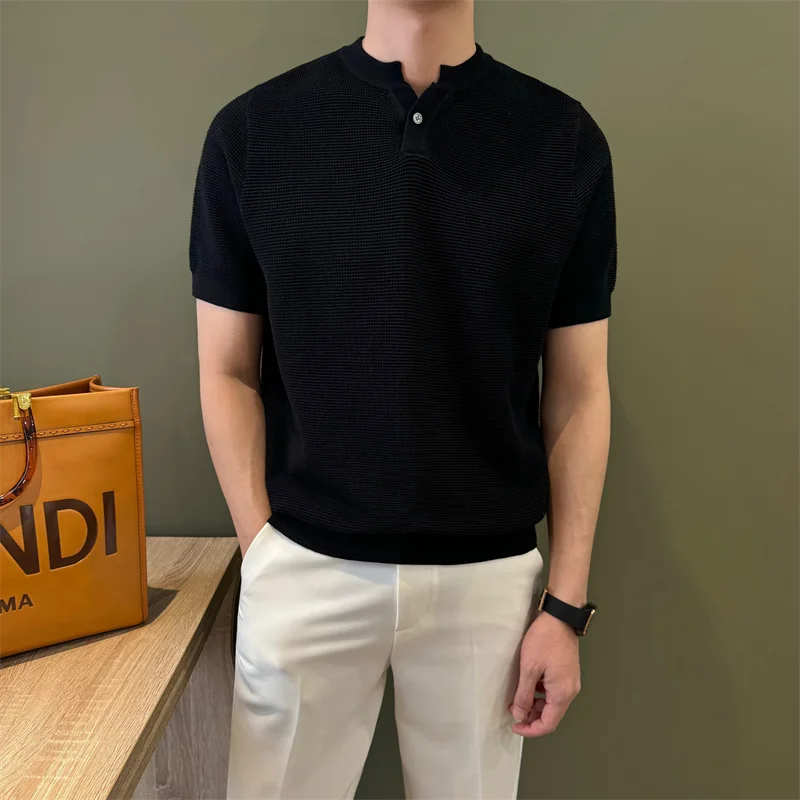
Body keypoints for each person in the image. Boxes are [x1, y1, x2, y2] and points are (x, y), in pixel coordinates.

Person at [189, 0, 616, 797]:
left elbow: (579, 391)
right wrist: (265, 551)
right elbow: (226, 369)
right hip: (304, 564)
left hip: (489, 583)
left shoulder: (563, 142)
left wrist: (565, 607)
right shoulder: (253, 133)